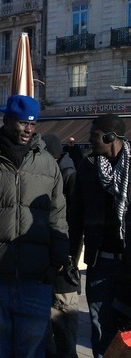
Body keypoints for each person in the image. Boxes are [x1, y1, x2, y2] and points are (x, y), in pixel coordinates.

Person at [0, 95, 69, 357]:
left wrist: (56, 262)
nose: (28, 130)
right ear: (7, 121)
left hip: (36, 276)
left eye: (33, 124)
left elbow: (58, 215)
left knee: (32, 349)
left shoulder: (47, 165)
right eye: (22, 123)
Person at [70, 113, 131, 358]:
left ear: (110, 137)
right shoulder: (88, 168)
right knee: (100, 328)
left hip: (129, 263)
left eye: (94, 136)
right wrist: (72, 258)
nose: (89, 140)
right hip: (100, 263)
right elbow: (76, 218)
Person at [43, 133, 80, 358]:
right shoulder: (56, 172)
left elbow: (74, 223)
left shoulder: (68, 175)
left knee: (64, 327)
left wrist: (69, 259)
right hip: (50, 261)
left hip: (63, 266)